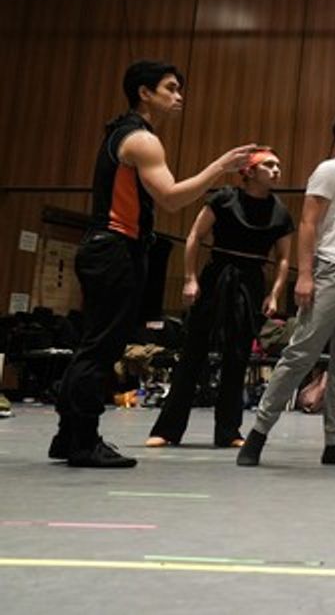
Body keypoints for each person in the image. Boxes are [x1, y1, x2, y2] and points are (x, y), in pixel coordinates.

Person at [53, 60, 255, 468]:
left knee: (94, 343)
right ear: (145, 93)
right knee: (101, 346)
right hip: (114, 248)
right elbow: (172, 198)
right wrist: (220, 166)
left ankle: (67, 436)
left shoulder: (125, 134)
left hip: (107, 247)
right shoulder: (141, 140)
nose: (179, 95)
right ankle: (82, 441)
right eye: (170, 88)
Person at [237, 107, 335, 468]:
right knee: (301, 354)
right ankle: (258, 434)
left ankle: (334, 442)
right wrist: (305, 274)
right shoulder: (330, 170)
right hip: (333, 270)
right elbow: (308, 223)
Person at [146, 148, 293, 449]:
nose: (276, 169)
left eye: (278, 165)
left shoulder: (280, 211)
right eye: (269, 165)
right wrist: (190, 278)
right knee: (192, 353)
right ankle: (167, 430)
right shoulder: (225, 198)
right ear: (249, 172)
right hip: (217, 275)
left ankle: (228, 431)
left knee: (238, 357)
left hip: (250, 281)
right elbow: (194, 236)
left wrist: (274, 293)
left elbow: (282, 258)